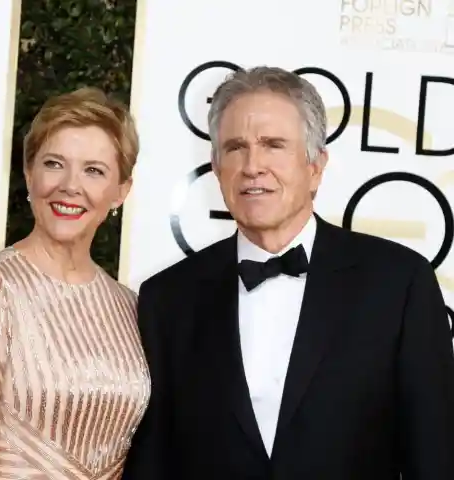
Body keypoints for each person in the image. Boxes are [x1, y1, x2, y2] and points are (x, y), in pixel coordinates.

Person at [122, 66, 454, 480]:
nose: (252, 165)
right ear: (217, 166)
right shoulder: (168, 297)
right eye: (236, 147)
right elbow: (155, 461)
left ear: (315, 167)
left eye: (273, 145)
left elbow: (435, 458)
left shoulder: (399, 284)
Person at [0, 87, 150, 479]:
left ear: (121, 191)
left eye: (94, 170)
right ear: (28, 173)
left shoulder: (129, 305)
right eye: (54, 164)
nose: (70, 185)